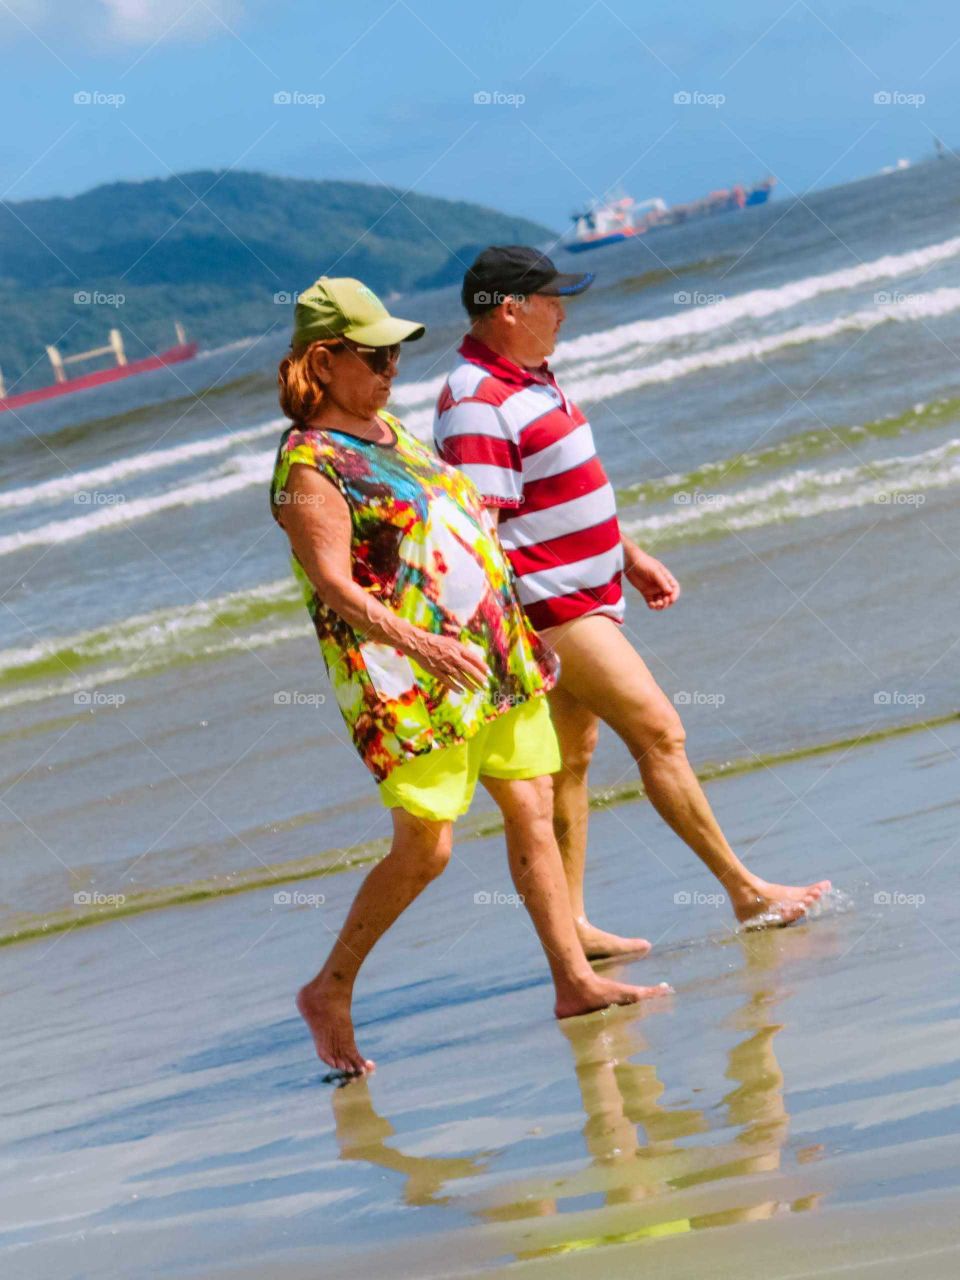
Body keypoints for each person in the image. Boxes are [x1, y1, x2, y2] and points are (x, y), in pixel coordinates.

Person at [269, 276, 670, 1077]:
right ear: (324, 359)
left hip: (491, 659)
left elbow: (458, 524)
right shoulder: (310, 464)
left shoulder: (391, 432)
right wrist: (420, 645)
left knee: (532, 808)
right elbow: (335, 589)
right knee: (428, 849)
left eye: (394, 353)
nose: (390, 368)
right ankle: (329, 987)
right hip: (409, 681)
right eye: (373, 354)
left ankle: (573, 980)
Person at [434, 247, 831, 959]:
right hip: (550, 606)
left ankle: (574, 925)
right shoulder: (476, 400)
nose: (562, 314)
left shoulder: (530, 378)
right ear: (509, 309)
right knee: (659, 731)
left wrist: (629, 554)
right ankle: (745, 891)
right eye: (552, 301)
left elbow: (565, 488)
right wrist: (495, 639)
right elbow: (479, 532)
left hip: (591, 589)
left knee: (571, 762)